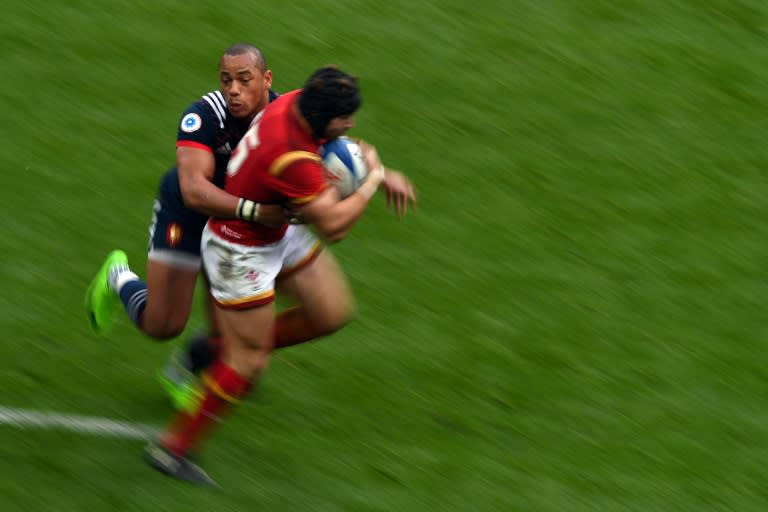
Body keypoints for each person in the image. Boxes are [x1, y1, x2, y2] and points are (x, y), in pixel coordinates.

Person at [143, 65, 416, 486]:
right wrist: (371, 181)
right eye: (345, 117)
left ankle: (216, 348)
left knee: (329, 312)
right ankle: (172, 449)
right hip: (241, 250)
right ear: (323, 116)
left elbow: (338, 147)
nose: (351, 124)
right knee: (249, 361)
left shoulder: (295, 103)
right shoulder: (291, 157)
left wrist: (380, 174)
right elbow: (335, 227)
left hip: (278, 231)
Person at [84, 43, 287, 409]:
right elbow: (194, 191)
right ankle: (119, 278)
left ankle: (180, 373)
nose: (234, 90)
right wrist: (256, 211)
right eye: (226, 81)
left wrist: (378, 174)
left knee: (236, 334)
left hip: (235, 227)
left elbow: (331, 145)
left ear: (267, 79)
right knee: (163, 324)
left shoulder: (287, 114)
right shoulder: (205, 115)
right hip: (189, 217)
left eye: (244, 80)